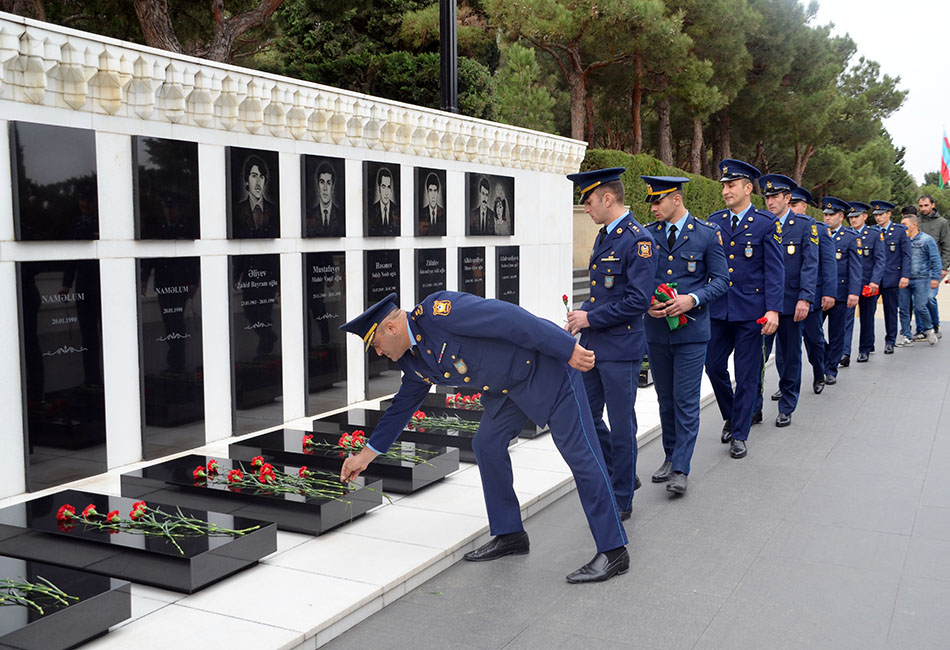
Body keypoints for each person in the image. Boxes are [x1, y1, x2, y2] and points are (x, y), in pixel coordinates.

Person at [339, 291, 630, 583]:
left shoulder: (440, 313)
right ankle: (510, 534)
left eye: (376, 345)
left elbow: (511, 318)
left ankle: (613, 550)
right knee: (487, 445)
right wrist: (365, 456)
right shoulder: (413, 360)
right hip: (508, 388)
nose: (379, 353)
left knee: (581, 455)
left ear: (391, 328)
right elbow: (401, 408)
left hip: (547, 369)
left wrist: (566, 348)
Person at [565, 167, 657, 517]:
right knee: (586, 417)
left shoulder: (638, 240)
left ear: (607, 198)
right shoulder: (606, 236)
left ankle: (622, 497)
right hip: (594, 345)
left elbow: (637, 301)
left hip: (620, 349)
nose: (586, 208)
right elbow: (602, 293)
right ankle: (622, 472)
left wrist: (590, 318)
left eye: (588, 201)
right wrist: (581, 314)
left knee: (621, 425)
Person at [641, 175, 728, 494]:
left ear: (676, 199)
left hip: (691, 332)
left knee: (686, 399)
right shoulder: (647, 235)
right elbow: (639, 279)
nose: (653, 208)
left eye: (658, 201)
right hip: (656, 330)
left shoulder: (706, 234)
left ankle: (681, 467)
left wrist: (692, 299)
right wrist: (647, 304)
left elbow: (721, 280)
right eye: (651, 202)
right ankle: (669, 455)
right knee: (665, 399)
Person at [704, 159, 784, 459]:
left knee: (747, 374)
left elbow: (775, 270)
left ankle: (739, 433)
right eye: (724, 186)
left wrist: (773, 310)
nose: (726, 191)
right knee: (713, 365)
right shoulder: (714, 221)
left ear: (748, 188)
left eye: (732, 185)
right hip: (719, 309)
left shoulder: (766, 223)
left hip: (752, 311)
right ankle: (731, 413)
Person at [754, 174, 818, 428]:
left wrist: (805, 298)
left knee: (790, 356)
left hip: (792, 302)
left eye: (775, 197)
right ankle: (754, 407)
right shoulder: (760, 223)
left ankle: (787, 405)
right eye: (767, 197)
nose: (770, 201)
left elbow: (810, 264)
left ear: (787, 198)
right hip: (764, 304)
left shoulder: (804, 225)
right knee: (756, 357)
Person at [795, 187, 837, 395]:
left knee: (814, 339)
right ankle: (788, 383)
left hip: (812, 295)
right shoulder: (776, 227)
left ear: (804, 206)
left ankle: (819, 371)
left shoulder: (819, 229)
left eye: (795, 205)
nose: (791, 208)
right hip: (787, 295)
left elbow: (828, 263)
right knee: (786, 344)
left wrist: (829, 293)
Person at [819, 196, 861, 386]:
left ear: (841, 216)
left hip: (841, 292)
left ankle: (831, 369)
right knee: (813, 333)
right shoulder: (818, 234)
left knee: (837, 333)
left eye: (832, 214)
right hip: (821, 292)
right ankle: (827, 356)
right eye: (826, 214)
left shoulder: (850, 237)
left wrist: (854, 292)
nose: (828, 217)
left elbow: (855, 267)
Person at [844, 201, 885, 363]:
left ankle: (865, 349)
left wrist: (875, 282)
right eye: (851, 217)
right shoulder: (846, 234)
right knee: (846, 319)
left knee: (867, 317)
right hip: (849, 285)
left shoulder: (874, 234)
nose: (853, 220)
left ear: (865, 217)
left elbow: (880, 260)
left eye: (856, 217)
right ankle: (844, 352)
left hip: (867, 283)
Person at [871, 200, 911, 352]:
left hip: (892, 277)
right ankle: (868, 342)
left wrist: (905, 275)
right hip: (874, 278)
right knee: (869, 312)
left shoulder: (900, 231)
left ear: (889, 214)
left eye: (881, 214)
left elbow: (907, 255)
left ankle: (890, 340)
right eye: (876, 215)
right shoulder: (872, 231)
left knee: (891, 310)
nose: (878, 218)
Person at [899, 206, 941, 345]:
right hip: (904, 278)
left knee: (920, 307)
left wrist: (935, 278)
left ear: (914, 224)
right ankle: (906, 335)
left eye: (905, 224)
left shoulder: (926, 240)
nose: (902, 227)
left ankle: (929, 329)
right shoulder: (902, 240)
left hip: (921, 278)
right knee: (904, 309)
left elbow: (935, 259)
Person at [915, 195, 950, 338]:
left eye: (926, 205)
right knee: (917, 299)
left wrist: (944, 267)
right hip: (917, 268)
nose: (923, 208)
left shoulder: (942, 223)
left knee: (929, 297)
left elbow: (947, 246)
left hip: (934, 268)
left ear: (933, 205)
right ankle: (921, 329)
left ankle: (935, 324)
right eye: (921, 206)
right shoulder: (916, 221)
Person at [233, 155, 278, 238]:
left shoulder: (274, 210)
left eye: (261, 177)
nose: (258, 182)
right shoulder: (237, 211)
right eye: (254, 176)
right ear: (247, 180)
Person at [306, 161, 345, 237]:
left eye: (328, 183)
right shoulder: (310, 215)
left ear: (332, 188)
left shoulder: (341, 216)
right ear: (318, 186)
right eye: (322, 182)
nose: (325, 188)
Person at [368, 167, 400, 237]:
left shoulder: (396, 210)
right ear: (379, 188)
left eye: (388, 187)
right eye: (383, 187)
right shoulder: (371, 211)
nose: (386, 193)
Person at [418, 172, 446, 237]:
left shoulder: (443, 214)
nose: (433, 195)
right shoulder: (421, 212)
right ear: (427, 193)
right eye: (430, 190)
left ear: (438, 193)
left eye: (435, 191)